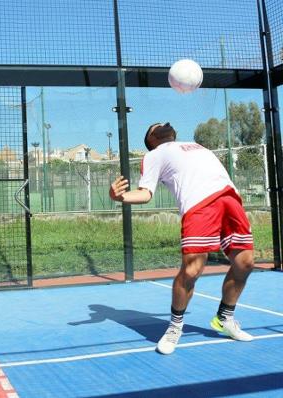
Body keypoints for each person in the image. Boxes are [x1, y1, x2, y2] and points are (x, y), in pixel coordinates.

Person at [109, 122, 255, 355]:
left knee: (245, 262)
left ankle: (225, 318)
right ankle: (175, 326)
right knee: (192, 269)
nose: (164, 124)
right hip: (198, 205)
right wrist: (121, 196)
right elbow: (146, 193)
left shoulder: (194, 144)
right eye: (156, 126)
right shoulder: (155, 155)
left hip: (229, 199)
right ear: (151, 140)